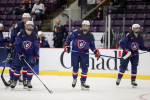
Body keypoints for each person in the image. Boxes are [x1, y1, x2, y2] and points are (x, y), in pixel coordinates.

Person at [64, 20, 100, 90]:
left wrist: (95, 51)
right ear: (82, 26)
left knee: (85, 69)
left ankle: (83, 82)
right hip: (75, 53)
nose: (85, 27)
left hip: (85, 54)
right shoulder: (76, 32)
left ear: (88, 27)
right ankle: (74, 79)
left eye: (86, 26)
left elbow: (92, 46)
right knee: (75, 68)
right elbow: (69, 38)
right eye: (84, 26)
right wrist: (67, 45)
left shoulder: (91, 36)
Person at [6, 13, 38, 87]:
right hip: (18, 47)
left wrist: (36, 54)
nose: (26, 20)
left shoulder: (34, 27)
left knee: (27, 66)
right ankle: (12, 79)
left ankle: (25, 80)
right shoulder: (18, 26)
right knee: (14, 64)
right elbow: (13, 36)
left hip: (28, 49)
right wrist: (11, 44)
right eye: (25, 18)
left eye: (28, 18)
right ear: (23, 19)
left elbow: (34, 38)